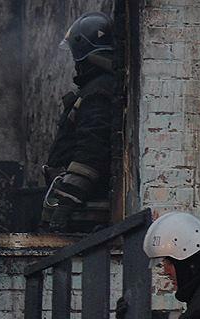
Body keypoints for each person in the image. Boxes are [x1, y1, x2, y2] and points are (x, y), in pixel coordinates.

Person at [40, 11, 120, 232]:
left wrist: (67, 200)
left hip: (85, 214)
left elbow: (92, 150)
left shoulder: (97, 91)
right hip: (81, 208)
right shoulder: (97, 87)